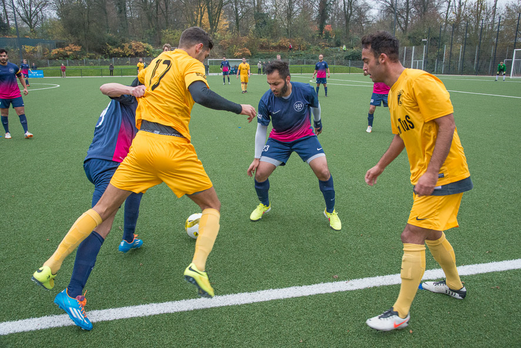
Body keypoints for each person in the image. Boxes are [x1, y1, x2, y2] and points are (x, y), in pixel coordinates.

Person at [32, 27, 257, 324]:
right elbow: (200, 94)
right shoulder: (191, 63)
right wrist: (238, 107)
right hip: (172, 146)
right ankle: (198, 267)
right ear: (199, 48)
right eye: (206, 54)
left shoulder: (154, 62)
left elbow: (127, 89)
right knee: (211, 206)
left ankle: (51, 264)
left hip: (140, 145)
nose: (204, 59)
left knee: (101, 210)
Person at [362, 31, 473, 332]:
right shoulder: (393, 91)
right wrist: (380, 166)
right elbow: (401, 134)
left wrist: (432, 172)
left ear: (382, 59)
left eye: (366, 61)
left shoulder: (419, 81)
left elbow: (447, 124)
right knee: (432, 233)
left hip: (444, 174)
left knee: (412, 234)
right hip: (430, 175)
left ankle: (400, 313)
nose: (364, 67)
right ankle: (455, 285)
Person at [34, 80, 146, 330]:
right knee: (102, 224)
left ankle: (128, 238)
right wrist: (133, 90)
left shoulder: (132, 107)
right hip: (110, 163)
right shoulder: (129, 98)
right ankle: (72, 293)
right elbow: (106, 87)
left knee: (137, 188)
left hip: (101, 161)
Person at [247, 60, 341, 231]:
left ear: (287, 79)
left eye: (276, 83)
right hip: (279, 139)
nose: (272, 88)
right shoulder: (266, 100)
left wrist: (318, 122)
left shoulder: (305, 90)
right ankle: (264, 205)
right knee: (260, 173)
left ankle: (330, 211)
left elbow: (315, 105)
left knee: (323, 171)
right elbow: (261, 129)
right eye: (269, 84)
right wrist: (256, 157)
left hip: (304, 136)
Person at [0, 49, 33, 139]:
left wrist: (25, 88)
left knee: (21, 112)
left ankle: (26, 132)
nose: (2, 57)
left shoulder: (13, 67)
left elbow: (20, 77)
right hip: (2, 95)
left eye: (4, 56)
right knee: (4, 114)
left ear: (7, 56)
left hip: (15, 94)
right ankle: (7, 132)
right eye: (1, 56)